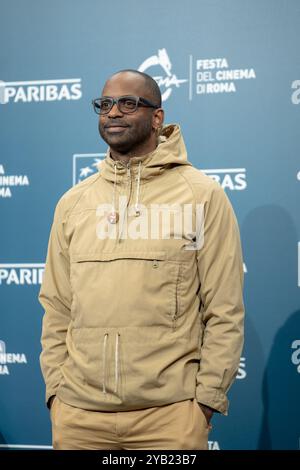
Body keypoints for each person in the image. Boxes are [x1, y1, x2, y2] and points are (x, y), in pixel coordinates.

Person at [39, 69, 244, 450]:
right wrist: (57, 394)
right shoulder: (74, 203)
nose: (113, 112)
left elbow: (224, 308)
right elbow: (57, 306)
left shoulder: (200, 195)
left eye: (128, 103)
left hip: (170, 419)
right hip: (79, 419)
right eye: (105, 104)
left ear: (157, 117)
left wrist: (203, 404)